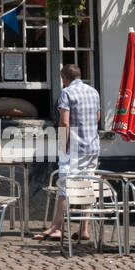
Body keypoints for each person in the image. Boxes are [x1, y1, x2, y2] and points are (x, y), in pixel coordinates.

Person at [36, 65, 101, 242]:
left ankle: (57, 228)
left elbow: (64, 122)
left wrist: (62, 146)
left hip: (74, 148)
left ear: (65, 78)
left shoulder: (67, 93)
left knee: (65, 188)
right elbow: (97, 118)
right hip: (92, 147)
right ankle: (84, 229)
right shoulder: (94, 92)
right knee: (87, 186)